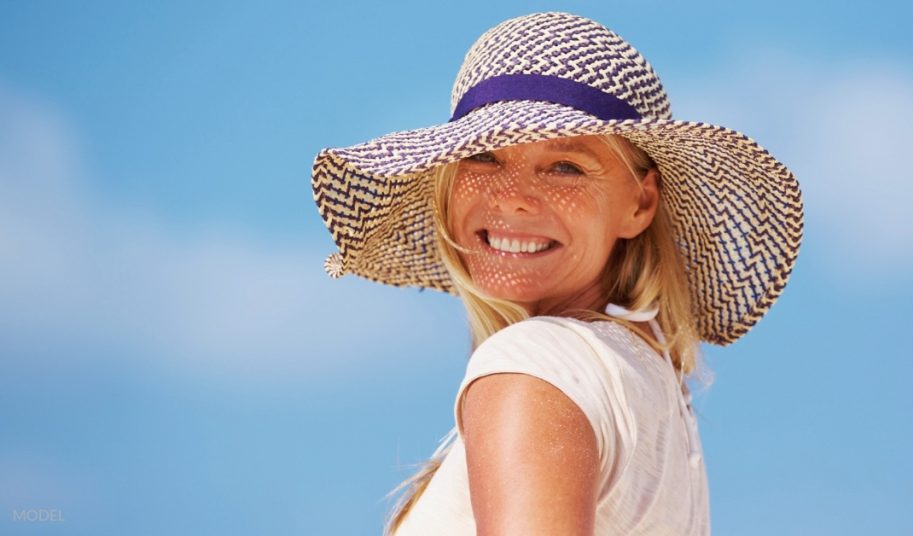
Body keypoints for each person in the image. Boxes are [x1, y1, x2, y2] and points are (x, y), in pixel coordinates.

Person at [310, 11, 803, 535]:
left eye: (565, 166)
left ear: (640, 202)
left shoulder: (536, 365)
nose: (514, 198)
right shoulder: (648, 386)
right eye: (483, 157)